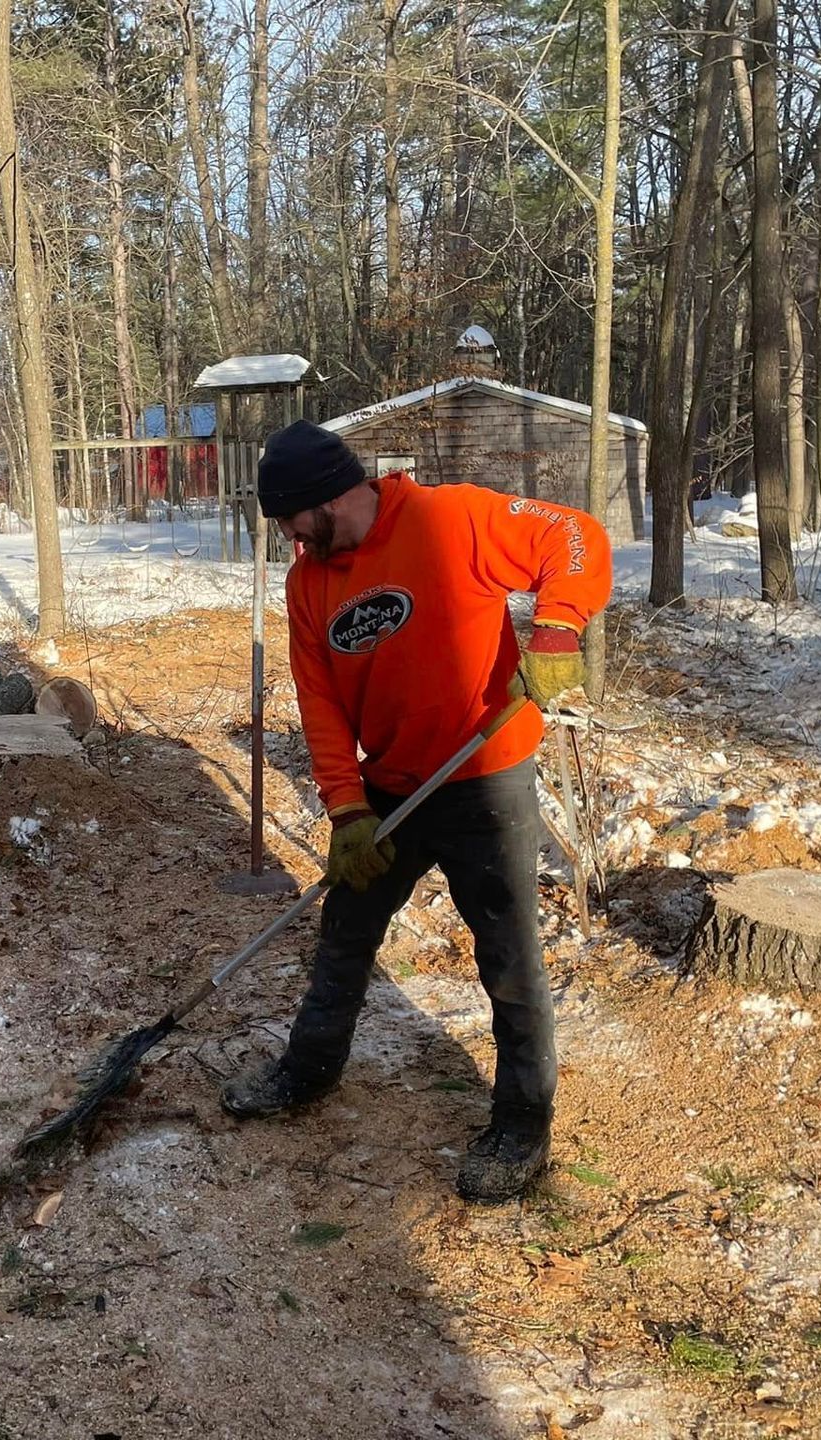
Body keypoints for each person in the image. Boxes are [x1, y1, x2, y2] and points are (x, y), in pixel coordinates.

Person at [221, 419, 612, 1204]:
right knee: (344, 933)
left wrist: (559, 629)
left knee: (507, 956)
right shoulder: (310, 582)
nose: (290, 536)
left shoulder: (450, 518)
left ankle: (522, 1125)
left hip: (484, 775)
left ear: (328, 496)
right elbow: (321, 703)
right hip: (393, 787)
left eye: (292, 518)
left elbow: (574, 536)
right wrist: (344, 809)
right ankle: (310, 1068)